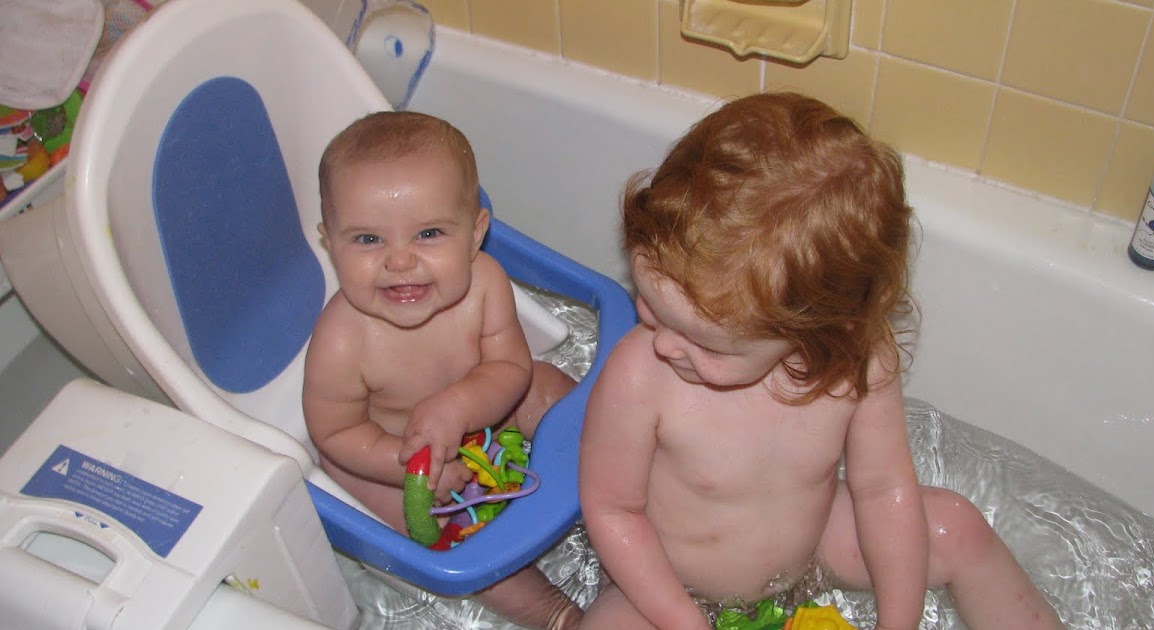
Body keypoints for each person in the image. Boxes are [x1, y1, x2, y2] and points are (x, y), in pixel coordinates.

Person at [578, 93, 1064, 630]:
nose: (665, 344)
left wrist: (895, 622)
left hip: (811, 548)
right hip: (669, 582)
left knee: (955, 527)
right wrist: (684, 621)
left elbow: (882, 490)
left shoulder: (855, 366)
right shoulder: (641, 375)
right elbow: (613, 510)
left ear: (819, 328)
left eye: (708, 345)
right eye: (650, 304)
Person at [303, 110, 582, 630]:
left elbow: (509, 367)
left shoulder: (485, 283)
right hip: (389, 456)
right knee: (425, 531)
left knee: (550, 390)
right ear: (329, 240)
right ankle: (557, 615)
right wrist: (409, 466)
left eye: (429, 233)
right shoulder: (342, 338)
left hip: (488, 411)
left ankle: (622, 481)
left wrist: (460, 405)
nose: (400, 261)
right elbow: (335, 432)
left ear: (476, 233)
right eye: (367, 240)